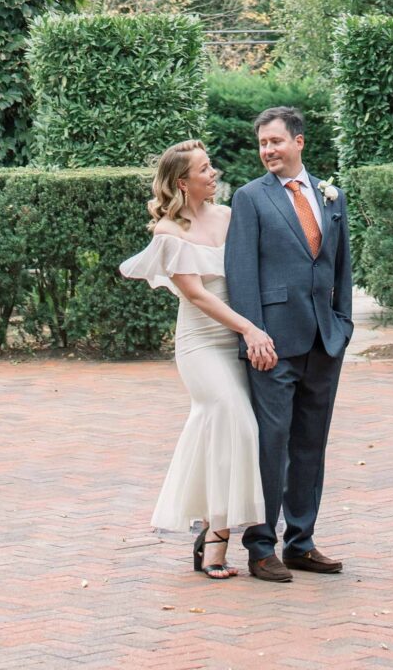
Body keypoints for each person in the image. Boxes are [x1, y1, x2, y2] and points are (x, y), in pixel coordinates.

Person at [119, 138, 277, 579]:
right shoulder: (169, 233)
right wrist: (249, 329)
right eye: (204, 170)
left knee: (223, 432)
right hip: (202, 344)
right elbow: (197, 294)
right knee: (235, 419)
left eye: (211, 167)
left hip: (238, 342)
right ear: (182, 182)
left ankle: (211, 530)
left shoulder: (230, 218)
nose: (214, 174)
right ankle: (217, 539)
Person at [222, 104, 352, 584]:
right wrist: (252, 334)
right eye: (262, 144)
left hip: (325, 339)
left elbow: (341, 267)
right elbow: (241, 272)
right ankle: (260, 547)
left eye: (275, 141)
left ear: (299, 141)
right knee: (270, 446)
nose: (267, 150)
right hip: (272, 344)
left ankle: (302, 542)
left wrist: (343, 323)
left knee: (310, 445)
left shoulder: (330, 195)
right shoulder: (250, 198)